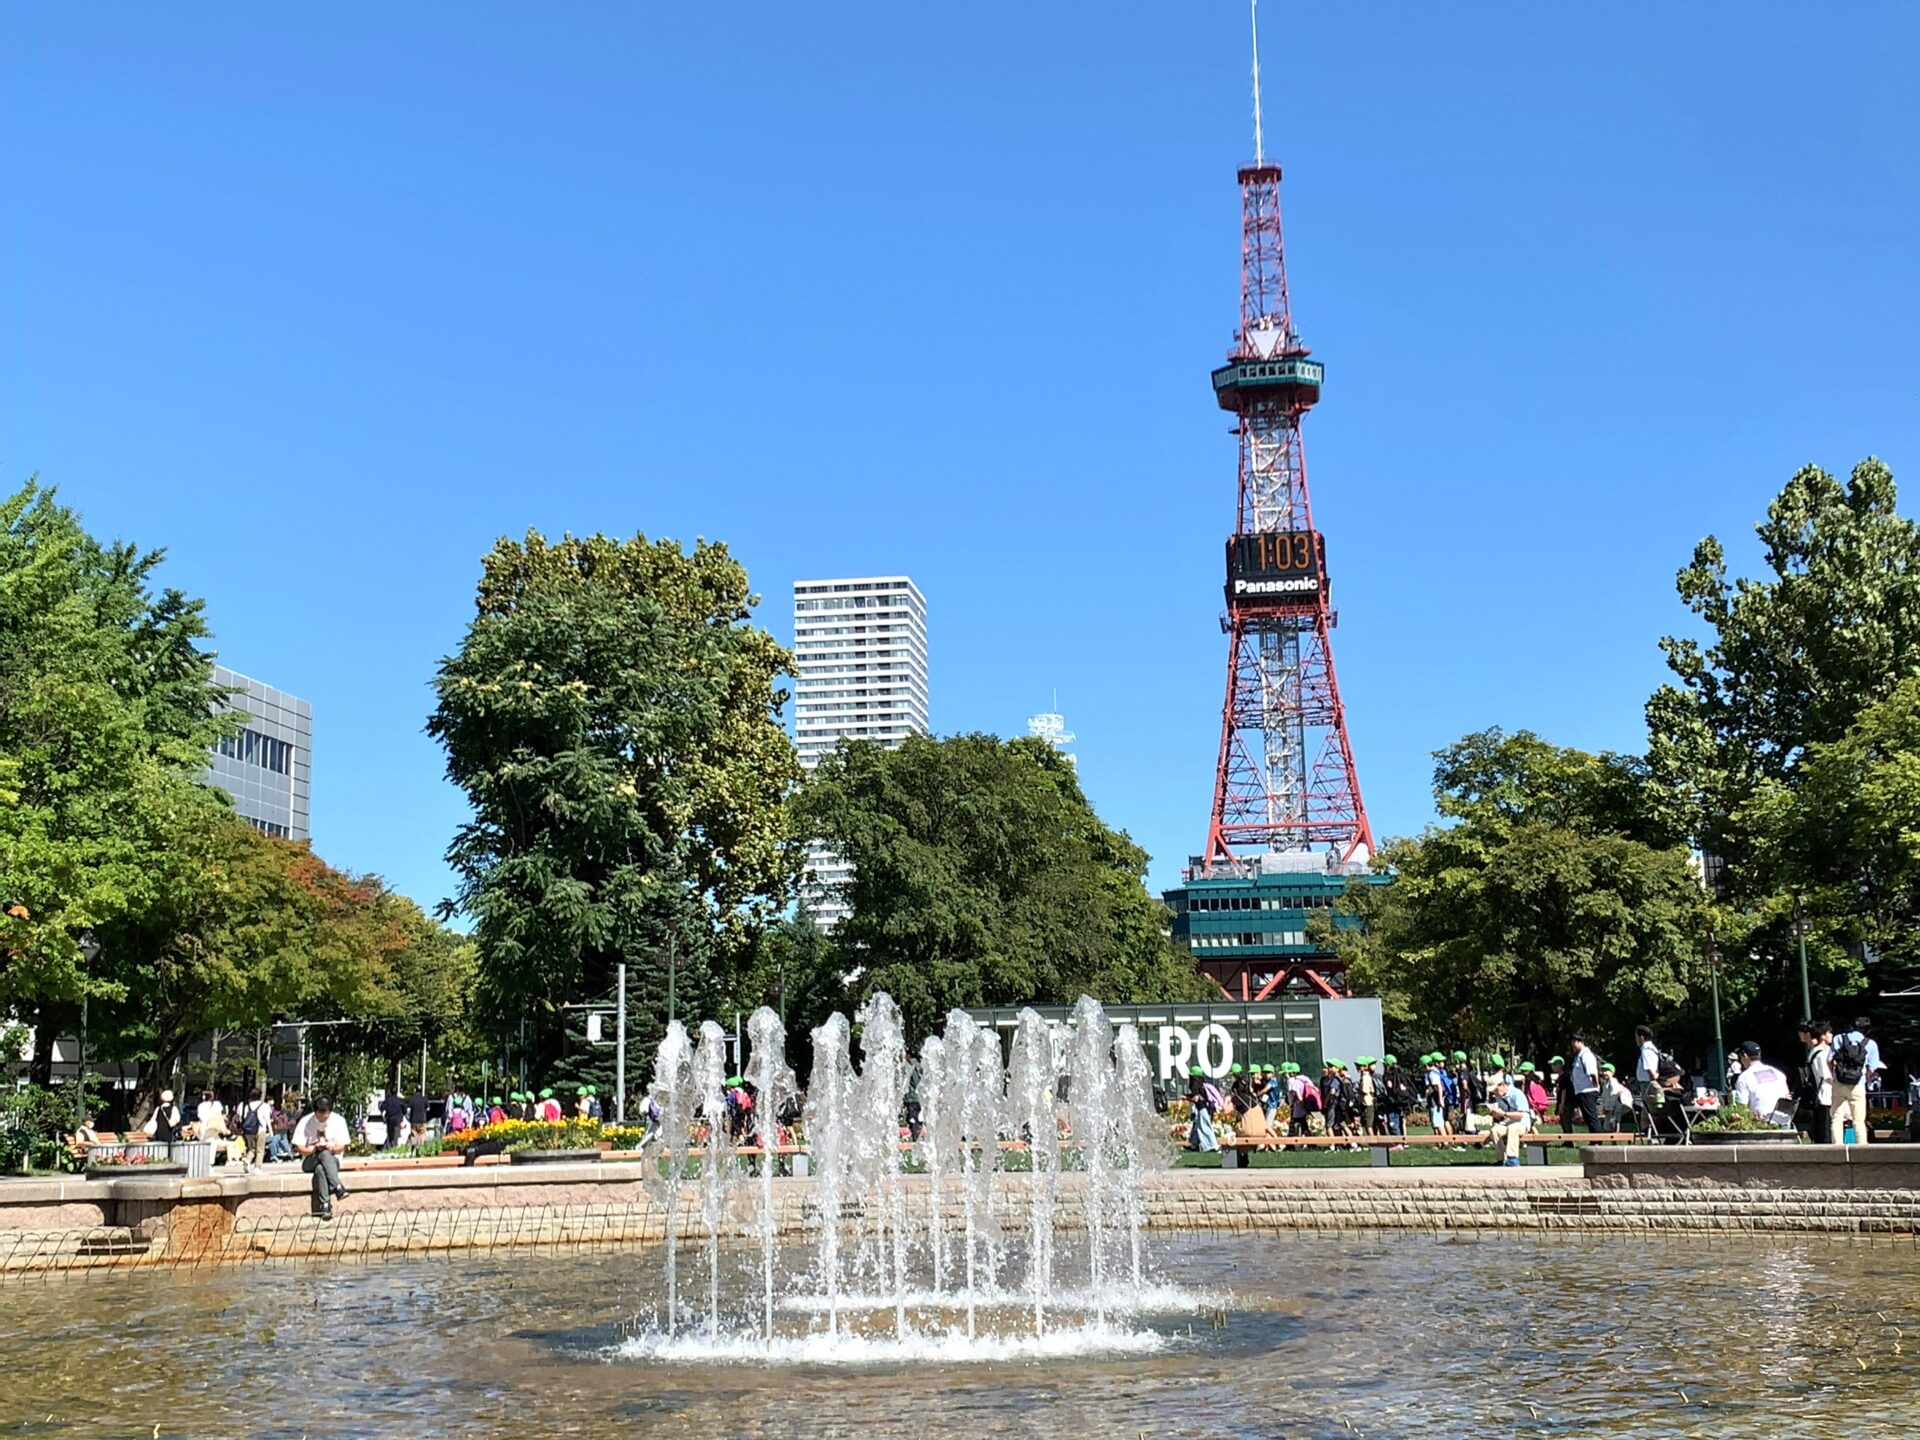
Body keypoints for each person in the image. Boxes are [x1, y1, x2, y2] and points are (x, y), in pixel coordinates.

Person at [292, 1096, 350, 1220]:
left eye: (325, 1117)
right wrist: (313, 1149)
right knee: (321, 1155)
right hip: (310, 1159)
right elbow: (298, 1146)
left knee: (320, 1168)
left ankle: (325, 1205)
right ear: (315, 1112)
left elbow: (341, 1147)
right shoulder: (306, 1122)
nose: (322, 1119)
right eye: (319, 1117)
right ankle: (337, 1186)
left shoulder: (339, 1121)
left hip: (332, 1161)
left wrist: (330, 1148)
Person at [1830, 1016, 1878, 1144]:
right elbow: (1872, 1069)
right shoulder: (1870, 1044)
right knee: (1858, 1120)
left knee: (1837, 1117)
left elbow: (1829, 1060)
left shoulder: (1838, 1039)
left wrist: (1833, 1075)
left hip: (1839, 1082)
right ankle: (1861, 1149)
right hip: (1858, 1084)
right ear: (1867, 1030)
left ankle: (1837, 1147)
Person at [1731, 1041, 1793, 1125]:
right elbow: (1787, 1098)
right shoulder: (1778, 1073)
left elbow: (1741, 1109)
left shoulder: (1744, 1078)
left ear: (1744, 1055)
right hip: (1784, 1123)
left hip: (1761, 1125)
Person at [1796, 1019, 1833, 1144]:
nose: (1831, 1035)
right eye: (1829, 1032)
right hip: (1826, 1095)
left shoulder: (1814, 1052)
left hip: (1819, 1095)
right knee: (1826, 1131)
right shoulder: (1821, 1054)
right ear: (1822, 1035)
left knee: (1822, 1128)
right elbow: (1827, 1076)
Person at [1486, 1079, 1531, 1166]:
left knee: (1512, 1128)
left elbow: (1521, 1114)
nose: (1494, 1093)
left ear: (1502, 1085)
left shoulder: (1517, 1094)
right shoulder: (1499, 1097)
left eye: (1495, 1090)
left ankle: (1513, 1158)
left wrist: (1504, 1114)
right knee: (1495, 1130)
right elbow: (1502, 1115)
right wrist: (1495, 1114)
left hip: (1522, 1122)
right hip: (1508, 1121)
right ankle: (1501, 1158)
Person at [1567, 1035, 1604, 1133]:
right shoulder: (1579, 1056)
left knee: (1591, 1117)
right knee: (1587, 1117)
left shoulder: (1586, 1055)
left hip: (1588, 1091)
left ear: (1579, 1042)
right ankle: (1594, 1139)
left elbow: (1592, 1072)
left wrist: (1595, 1086)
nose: (1572, 1046)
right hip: (1582, 1091)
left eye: (1573, 1043)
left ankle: (1597, 1140)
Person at [1185, 1066, 1219, 1153]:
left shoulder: (1194, 1084)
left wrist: (1186, 1097)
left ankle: (1213, 1145)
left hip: (1202, 1107)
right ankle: (1194, 1144)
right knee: (1198, 1126)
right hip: (1208, 1107)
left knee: (1205, 1127)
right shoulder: (1202, 1083)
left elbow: (1196, 1098)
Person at [238, 1088, 274, 1167]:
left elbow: (241, 1117)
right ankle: (258, 1167)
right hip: (261, 1129)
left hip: (249, 1130)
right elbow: (267, 1119)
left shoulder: (246, 1105)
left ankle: (247, 1160)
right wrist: (271, 1131)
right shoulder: (264, 1106)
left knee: (251, 1149)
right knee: (260, 1149)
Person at [1597, 1063, 1635, 1131]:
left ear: (1612, 1072)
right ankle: (1613, 1140)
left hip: (1615, 1107)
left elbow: (1614, 1095)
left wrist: (1610, 1107)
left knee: (1614, 1123)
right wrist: (1604, 1107)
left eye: (1606, 1071)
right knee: (1607, 1126)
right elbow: (1605, 1097)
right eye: (1603, 1071)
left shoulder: (1613, 1082)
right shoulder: (1606, 1084)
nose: (1604, 1073)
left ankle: (1615, 1137)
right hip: (1609, 1109)